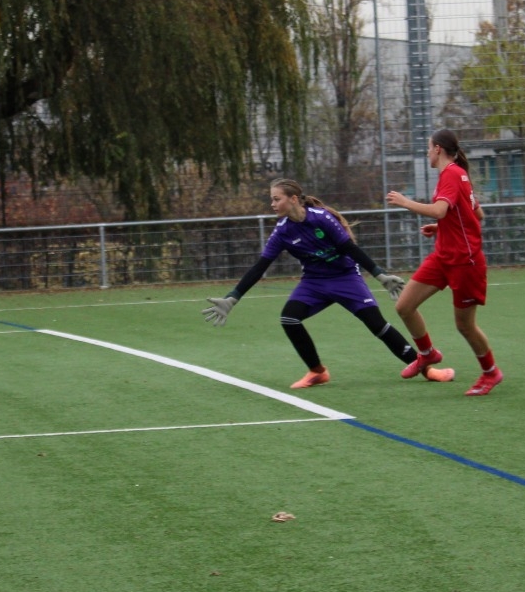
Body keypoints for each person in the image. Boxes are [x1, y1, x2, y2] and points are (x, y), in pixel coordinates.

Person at [202, 179, 449, 389]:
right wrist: (233, 298)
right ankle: (317, 371)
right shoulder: (282, 231)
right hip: (314, 282)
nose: (272, 204)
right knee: (289, 318)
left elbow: (349, 248)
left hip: (346, 278)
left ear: (294, 199)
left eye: (277, 199)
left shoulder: (321, 218)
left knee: (377, 325)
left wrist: (380, 276)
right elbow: (260, 267)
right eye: (272, 200)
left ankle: (426, 368)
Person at [385, 128, 503, 396]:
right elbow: (476, 215)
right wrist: (442, 228)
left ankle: (490, 372)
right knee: (404, 306)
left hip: (464, 260)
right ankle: (427, 353)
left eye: (428, 148)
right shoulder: (456, 174)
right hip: (443, 256)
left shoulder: (451, 173)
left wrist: (405, 202)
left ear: (438, 149)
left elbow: (441, 210)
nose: (427, 152)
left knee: (465, 325)